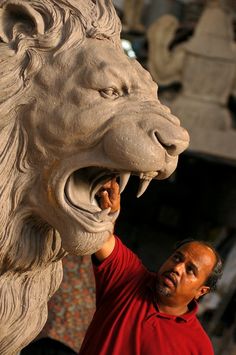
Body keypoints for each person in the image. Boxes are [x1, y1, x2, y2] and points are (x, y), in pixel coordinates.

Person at [79, 178, 223, 355]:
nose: (177, 268)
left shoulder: (198, 347)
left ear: (201, 291)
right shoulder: (129, 277)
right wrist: (110, 212)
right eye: (177, 258)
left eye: (190, 270)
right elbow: (102, 239)